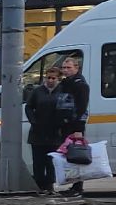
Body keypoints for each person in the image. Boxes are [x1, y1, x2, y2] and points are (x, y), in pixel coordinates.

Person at [26, 64, 65, 194]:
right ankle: (39, 185)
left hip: (54, 132)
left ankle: (50, 185)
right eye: (48, 77)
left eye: (53, 78)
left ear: (58, 79)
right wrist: (33, 121)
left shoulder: (62, 91)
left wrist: (62, 123)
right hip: (38, 131)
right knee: (38, 161)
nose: (50, 80)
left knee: (51, 161)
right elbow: (29, 107)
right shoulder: (37, 91)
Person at [56, 56, 92, 197]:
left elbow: (82, 108)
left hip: (75, 125)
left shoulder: (80, 85)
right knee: (68, 156)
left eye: (69, 68)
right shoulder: (65, 83)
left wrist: (78, 129)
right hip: (65, 124)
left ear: (76, 68)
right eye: (64, 68)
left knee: (77, 155)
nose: (66, 70)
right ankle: (72, 184)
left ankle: (78, 187)